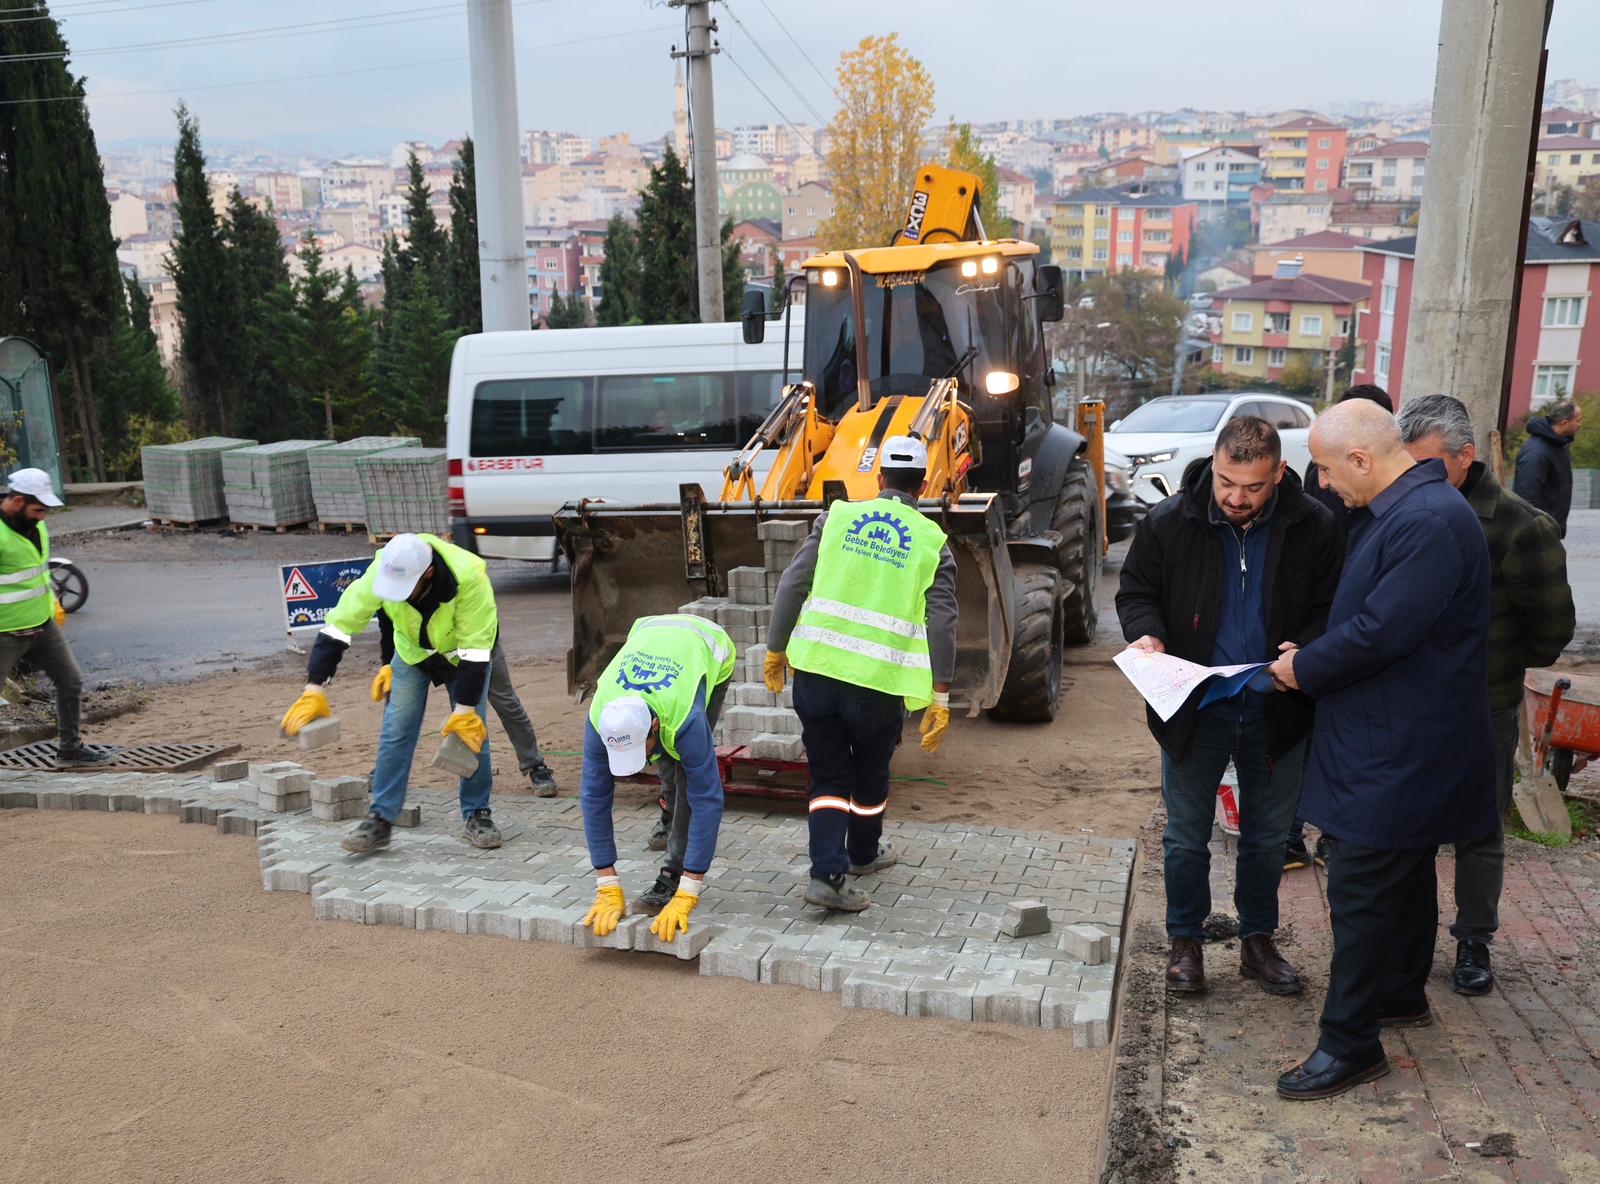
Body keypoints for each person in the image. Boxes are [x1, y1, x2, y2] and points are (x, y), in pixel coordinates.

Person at [1270, 400, 1495, 1101]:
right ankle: (1399, 992)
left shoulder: (1425, 520)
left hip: (1397, 744)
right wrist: (1315, 650)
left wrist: (1304, 668)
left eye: (1327, 470)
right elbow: (1375, 618)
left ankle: (1349, 1043)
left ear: (1362, 460)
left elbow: (1382, 632)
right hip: (1399, 734)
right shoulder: (1409, 510)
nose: (1323, 484)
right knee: (1405, 869)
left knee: (1361, 888)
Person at [1116, 417, 1344, 997]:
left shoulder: (1315, 526)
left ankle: (1257, 941)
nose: (1237, 498)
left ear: (1280, 474)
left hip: (1279, 707)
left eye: (1253, 487)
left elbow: (1334, 604)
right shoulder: (1169, 522)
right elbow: (1136, 591)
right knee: (1185, 837)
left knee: (1269, 838)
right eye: (1226, 483)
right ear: (1214, 466)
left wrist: (1308, 645)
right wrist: (1147, 633)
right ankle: (1185, 943)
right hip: (1194, 707)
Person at [1397, 395, 1575, 995]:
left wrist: (1496, 663)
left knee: (1479, 829)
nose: (1413, 477)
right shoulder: (1398, 510)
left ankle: (1474, 939)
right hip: (1411, 705)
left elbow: (1551, 629)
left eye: (1426, 465)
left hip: (1484, 706)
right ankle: (1408, 942)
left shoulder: (1521, 525)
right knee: (1409, 828)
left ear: (1465, 456)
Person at [765, 435, 959, 912]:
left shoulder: (835, 518)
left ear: (878, 478)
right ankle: (863, 855)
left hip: (816, 674)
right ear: (924, 484)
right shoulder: (931, 543)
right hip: (876, 685)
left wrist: (775, 649)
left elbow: (793, 583)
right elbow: (943, 622)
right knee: (870, 774)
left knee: (828, 777)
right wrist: (941, 695)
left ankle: (828, 874)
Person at [281, 533, 503, 853]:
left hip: (463, 657)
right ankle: (380, 818)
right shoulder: (383, 568)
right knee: (396, 729)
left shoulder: (469, 578)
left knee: (470, 732)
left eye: (405, 589)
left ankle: (477, 814)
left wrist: (465, 709)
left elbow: (477, 651)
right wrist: (314, 688)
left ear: (428, 574)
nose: (398, 596)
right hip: (412, 653)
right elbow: (339, 625)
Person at [578, 613, 736, 943]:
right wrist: (606, 881)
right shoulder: (600, 717)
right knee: (666, 760)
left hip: (709, 645)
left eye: (639, 749)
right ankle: (669, 808)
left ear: (653, 727)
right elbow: (594, 795)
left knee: (688, 776)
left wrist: (689, 890)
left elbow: (708, 799)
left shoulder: (685, 720)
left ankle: (674, 873)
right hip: (649, 631)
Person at [1286, 382, 1391, 872]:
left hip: (1339, 627)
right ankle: (1302, 836)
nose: (1325, 482)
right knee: (1312, 736)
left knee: (1327, 738)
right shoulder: (1334, 472)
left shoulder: (1399, 503)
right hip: (1327, 621)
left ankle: (1325, 836)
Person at [0, 469, 106, 768]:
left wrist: (52, 607)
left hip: (42, 626)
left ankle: (70, 749)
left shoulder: (37, 526)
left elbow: (38, 575)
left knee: (70, 681)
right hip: (5, 633)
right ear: (18, 501)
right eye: (38, 510)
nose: (42, 517)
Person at [1512, 398, 1583, 537]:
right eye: (1578, 420)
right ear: (1564, 423)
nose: (1580, 425)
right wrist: (1540, 532)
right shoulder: (1536, 453)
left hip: (1550, 530)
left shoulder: (1559, 445)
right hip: (1538, 534)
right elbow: (1526, 498)